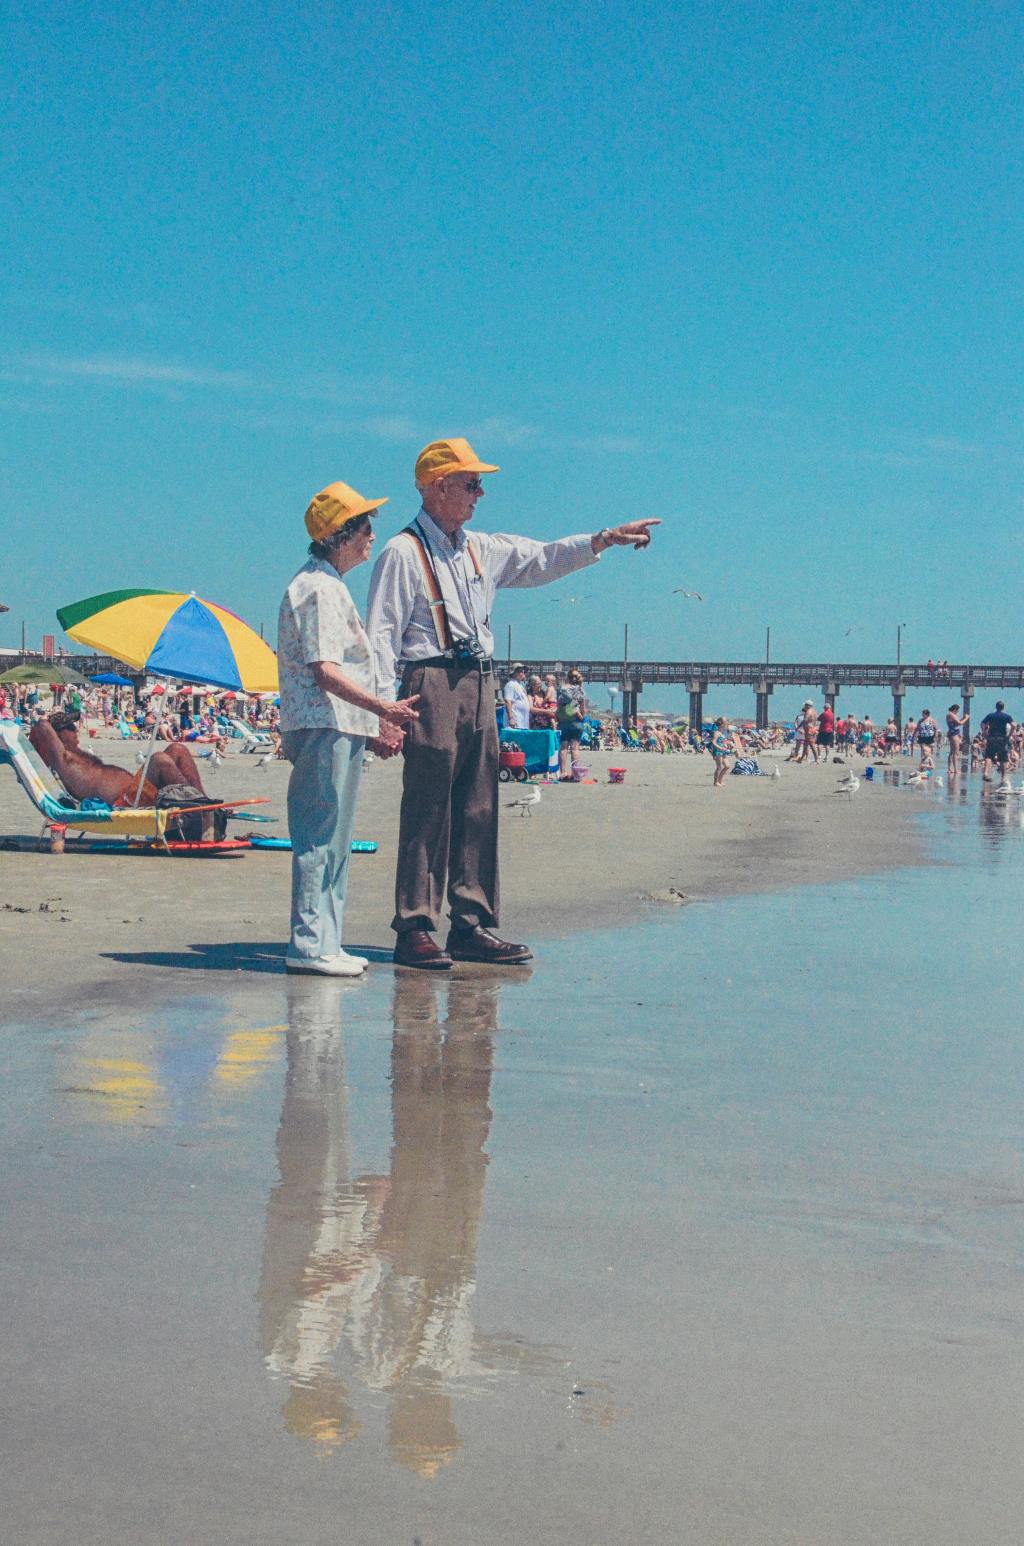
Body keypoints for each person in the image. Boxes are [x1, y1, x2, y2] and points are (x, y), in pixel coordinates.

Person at [365, 436, 659, 970]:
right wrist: (385, 712)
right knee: (429, 805)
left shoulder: (480, 547)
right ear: (438, 487)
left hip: (480, 680)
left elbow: (543, 558)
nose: (480, 494)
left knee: (479, 805)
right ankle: (414, 926)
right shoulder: (402, 552)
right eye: (472, 484)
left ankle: (470, 922)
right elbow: (381, 634)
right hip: (428, 679)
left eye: (480, 484)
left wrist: (603, 540)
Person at [277, 480, 420, 978]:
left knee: (335, 837)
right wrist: (383, 706)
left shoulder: (328, 584)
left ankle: (326, 941)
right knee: (319, 834)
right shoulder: (316, 587)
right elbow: (325, 669)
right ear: (339, 534)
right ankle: (310, 943)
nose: (371, 537)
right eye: (363, 527)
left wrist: (374, 717)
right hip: (323, 723)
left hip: (337, 723)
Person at [29, 711, 210, 806]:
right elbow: (42, 726)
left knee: (177, 749)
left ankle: (205, 805)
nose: (76, 730)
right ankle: (198, 811)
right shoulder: (64, 760)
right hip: (125, 801)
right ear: (57, 735)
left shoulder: (75, 756)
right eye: (70, 727)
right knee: (159, 760)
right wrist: (47, 721)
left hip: (136, 792)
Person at [557, 667, 588, 777]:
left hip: (563, 721)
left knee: (563, 748)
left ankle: (562, 773)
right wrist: (580, 714)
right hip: (576, 722)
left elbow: (558, 705)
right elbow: (583, 710)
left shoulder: (562, 689)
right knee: (575, 748)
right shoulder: (580, 690)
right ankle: (575, 774)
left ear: (567, 677)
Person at [979, 700, 1014, 785]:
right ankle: (1003, 778)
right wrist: (1009, 735)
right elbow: (1014, 725)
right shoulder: (1007, 716)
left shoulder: (990, 715)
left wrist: (984, 733)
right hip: (1002, 738)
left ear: (996, 707)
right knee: (1003, 759)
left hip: (991, 738)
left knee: (989, 756)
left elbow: (982, 724)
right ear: (1003, 707)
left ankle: (986, 773)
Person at [501, 663, 530, 730]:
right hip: (515, 724)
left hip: (522, 724)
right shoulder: (510, 684)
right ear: (513, 673)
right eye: (520, 671)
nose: (522, 673)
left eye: (523, 671)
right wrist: (511, 718)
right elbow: (508, 701)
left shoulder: (520, 686)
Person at [946, 703, 968, 775]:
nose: (958, 712)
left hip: (953, 733)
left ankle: (950, 768)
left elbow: (956, 724)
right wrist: (966, 718)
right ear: (955, 709)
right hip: (953, 734)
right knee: (956, 752)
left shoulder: (951, 715)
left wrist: (963, 718)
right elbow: (960, 723)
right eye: (957, 711)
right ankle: (955, 769)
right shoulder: (951, 714)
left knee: (952, 752)